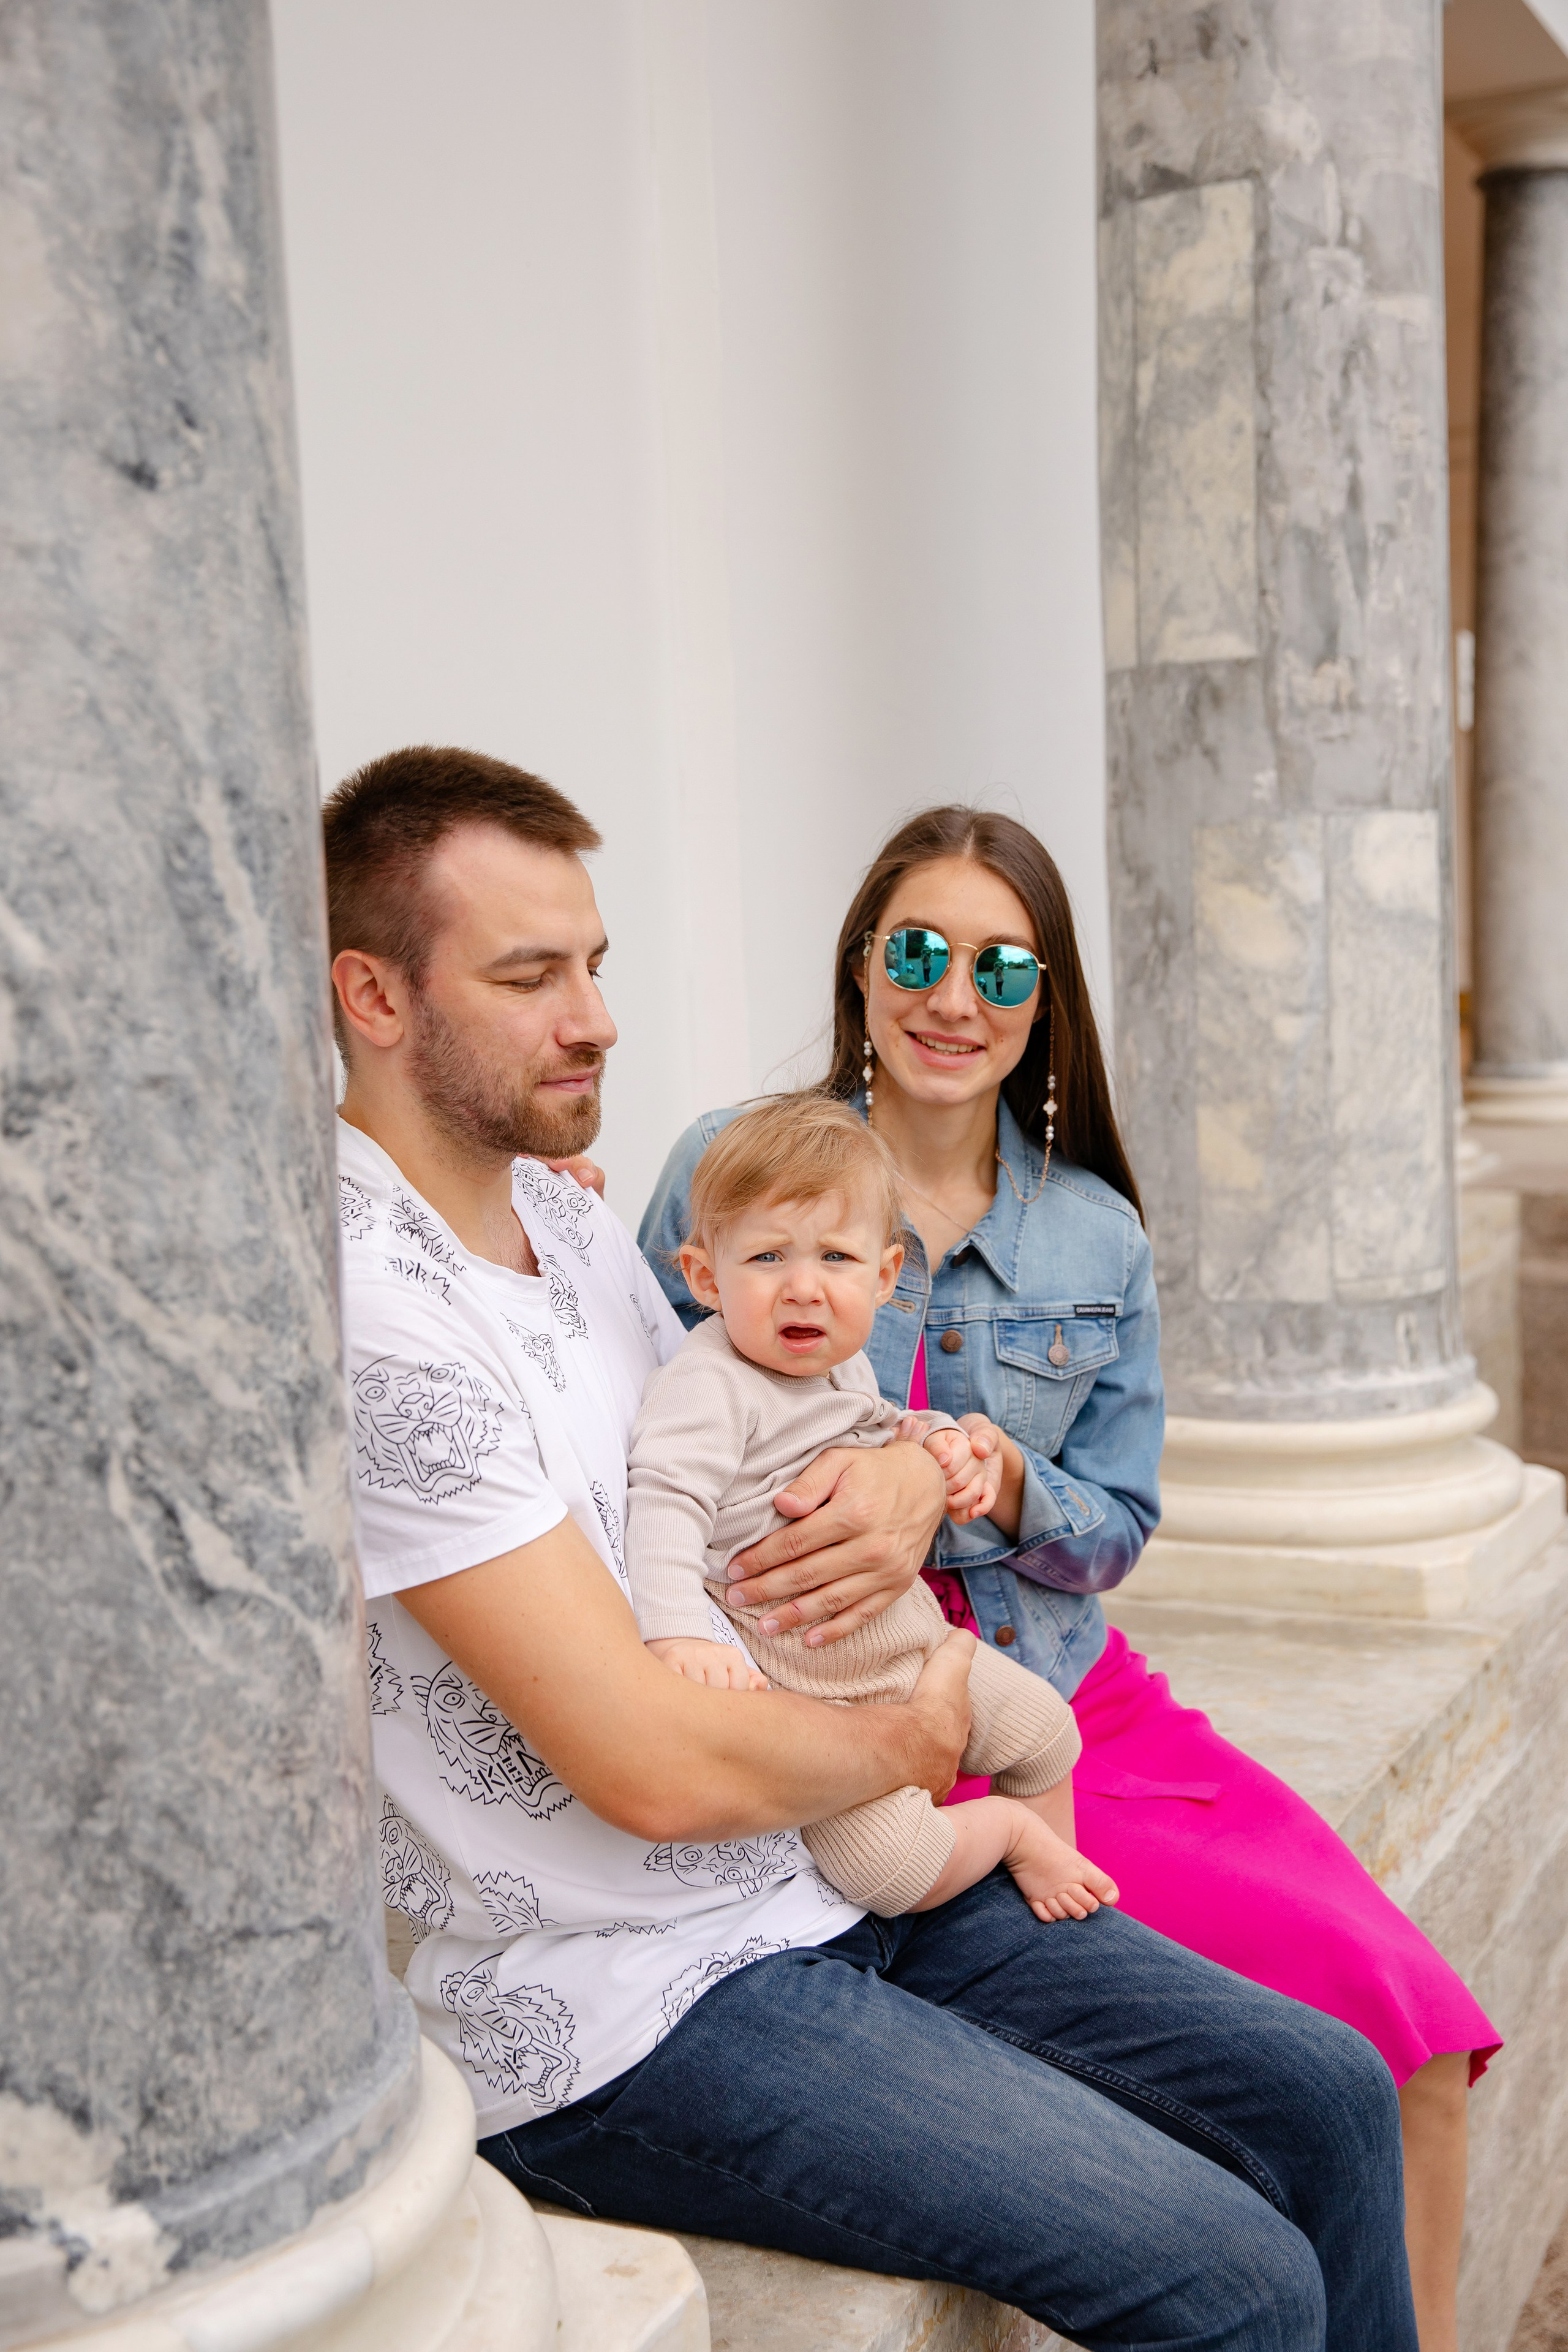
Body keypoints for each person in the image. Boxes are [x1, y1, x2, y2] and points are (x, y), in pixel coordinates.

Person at [326, 744, 1419, 2350]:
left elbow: (770, 1413)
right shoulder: (379, 1319)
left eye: (600, 965)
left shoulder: (560, 1214)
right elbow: (648, 1768)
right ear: (375, 996)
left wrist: (917, 1482)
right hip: (629, 1996)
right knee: (1229, 2276)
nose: (598, 1017)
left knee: (1328, 2091)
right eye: (531, 974)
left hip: (827, 1870)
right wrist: (916, 1729)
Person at [639, 803, 1501, 2352]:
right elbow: (625, 1407)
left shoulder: (1090, 1235)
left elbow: (1118, 1517)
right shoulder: (727, 1170)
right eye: (913, 951)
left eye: (998, 964)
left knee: (1411, 2027)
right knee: (1290, 2063)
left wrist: (996, 1480)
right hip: (842, 1705)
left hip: (1061, 1705)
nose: (950, 997)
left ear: (1045, 999)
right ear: (857, 971)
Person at [625, 1091, 1110, 1924]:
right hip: (823, 1705)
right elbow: (665, 1499)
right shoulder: (710, 1383)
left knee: (1047, 1732)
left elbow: (886, 1424)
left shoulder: (843, 1368)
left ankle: (1057, 1933)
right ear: (706, 1276)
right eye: (769, 1257)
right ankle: (1006, 1836)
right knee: (888, 1869)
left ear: (886, 1276)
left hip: (915, 1644)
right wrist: (672, 1629)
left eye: (837, 1260)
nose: (804, 1290)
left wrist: (938, 1444)